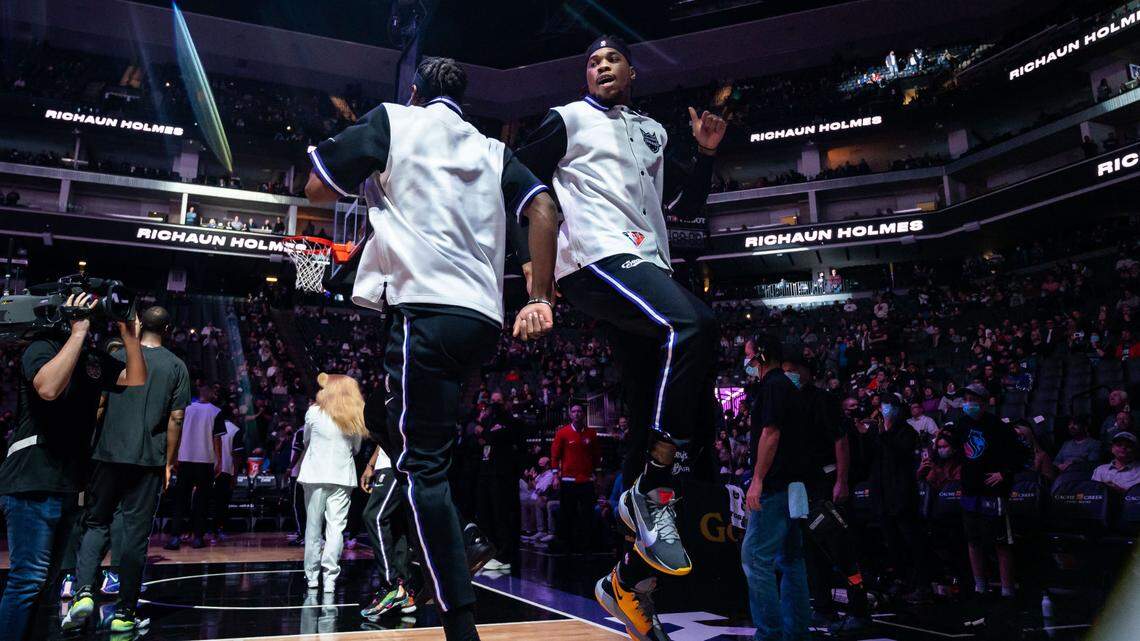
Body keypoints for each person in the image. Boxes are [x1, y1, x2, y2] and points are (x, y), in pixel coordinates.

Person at [305, 56, 558, 641]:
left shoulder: (395, 118)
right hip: (481, 321)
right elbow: (543, 206)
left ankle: (460, 617)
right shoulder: (493, 149)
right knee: (414, 444)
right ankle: (456, 534)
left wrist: (350, 155)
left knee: (421, 470)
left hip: (425, 309)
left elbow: (318, 186)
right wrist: (539, 295)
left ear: (414, 91)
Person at [513, 35, 726, 641]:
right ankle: (651, 490)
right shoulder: (567, 120)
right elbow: (517, 179)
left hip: (646, 266)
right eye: (591, 61)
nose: (601, 66)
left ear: (632, 70)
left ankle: (629, 584)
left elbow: (683, 202)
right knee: (695, 323)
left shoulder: (654, 132)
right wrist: (531, 260)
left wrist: (705, 154)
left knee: (652, 416)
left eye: (612, 59)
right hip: (595, 259)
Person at [0, 293, 147, 640]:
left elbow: (135, 379)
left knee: (45, 580)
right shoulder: (42, 347)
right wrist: (78, 331)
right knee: (28, 580)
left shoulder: (92, 359)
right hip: (32, 479)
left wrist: (130, 336)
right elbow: (48, 388)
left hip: (67, 482)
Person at [63, 306, 189, 634]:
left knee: (95, 523)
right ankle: (124, 613)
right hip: (148, 461)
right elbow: (177, 418)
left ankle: (83, 592)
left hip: (107, 455)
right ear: (168, 328)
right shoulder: (176, 366)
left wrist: (91, 447)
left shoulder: (118, 357)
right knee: (135, 536)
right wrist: (169, 463)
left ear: (140, 324)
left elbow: (100, 406)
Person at [784, 362, 869, 632]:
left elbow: (840, 441)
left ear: (807, 371)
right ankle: (823, 608)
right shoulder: (789, 401)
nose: (789, 373)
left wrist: (841, 481)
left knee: (843, 549)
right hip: (803, 485)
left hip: (828, 481)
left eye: (793, 368)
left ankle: (859, 610)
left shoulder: (823, 400)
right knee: (812, 549)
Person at [741, 337, 811, 641]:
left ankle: (768, 635)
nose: (747, 363)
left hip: (775, 487)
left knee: (756, 558)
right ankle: (796, 633)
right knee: (791, 559)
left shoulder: (773, 386)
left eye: (748, 356)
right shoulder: (790, 387)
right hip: (795, 487)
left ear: (761, 355)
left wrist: (757, 480)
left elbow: (770, 434)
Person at [298, 373, 366, 592]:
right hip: (341, 476)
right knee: (336, 529)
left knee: (313, 527)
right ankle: (330, 578)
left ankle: (312, 577)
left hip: (315, 475)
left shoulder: (313, 413)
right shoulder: (353, 416)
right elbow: (356, 449)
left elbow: (306, 440)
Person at [957, 383, 1020, 608]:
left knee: (1000, 543)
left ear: (984, 402)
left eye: (973, 399)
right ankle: (980, 587)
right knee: (973, 541)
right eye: (966, 399)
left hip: (993, 494)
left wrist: (1005, 473)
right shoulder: (961, 424)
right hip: (969, 491)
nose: (969, 403)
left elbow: (1020, 452)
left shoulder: (998, 426)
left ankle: (1007, 591)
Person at [165, 384, 226, 550]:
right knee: (201, 501)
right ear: (207, 392)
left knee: (180, 500)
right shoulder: (215, 411)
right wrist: (219, 461)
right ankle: (197, 538)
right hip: (205, 460)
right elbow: (217, 439)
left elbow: (175, 433)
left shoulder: (186, 408)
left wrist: (174, 455)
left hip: (184, 458)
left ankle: (175, 538)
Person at [474, 392, 523, 571]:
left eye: (498, 402)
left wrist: (484, 432)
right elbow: (479, 438)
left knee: (503, 514)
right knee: (488, 514)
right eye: (492, 402)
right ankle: (491, 552)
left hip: (503, 476)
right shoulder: (488, 420)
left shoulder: (511, 420)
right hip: (487, 473)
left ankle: (505, 555)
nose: (494, 405)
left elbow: (495, 436)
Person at [551, 404, 601, 554]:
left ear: (583, 414)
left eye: (579, 411)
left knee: (587, 514)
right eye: (574, 411)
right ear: (570, 414)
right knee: (567, 513)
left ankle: (586, 545)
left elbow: (596, 456)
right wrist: (555, 475)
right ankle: (566, 543)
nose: (577, 413)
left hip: (586, 481)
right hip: (568, 481)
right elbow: (555, 455)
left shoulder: (591, 434)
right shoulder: (562, 433)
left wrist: (597, 476)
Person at [211, 411, 244, 541]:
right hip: (225, 471)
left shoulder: (211, 427)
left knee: (206, 502)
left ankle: (198, 532)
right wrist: (235, 476)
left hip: (209, 468)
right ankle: (218, 530)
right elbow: (236, 456)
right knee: (222, 503)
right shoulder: (235, 430)